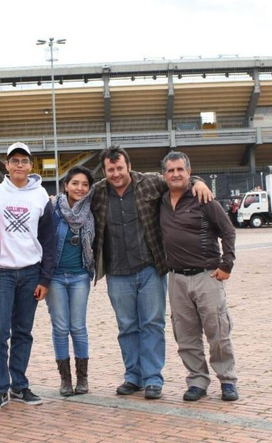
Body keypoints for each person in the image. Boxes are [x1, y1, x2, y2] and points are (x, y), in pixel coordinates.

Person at [90, 144, 211, 400]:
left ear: (129, 166)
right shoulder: (98, 192)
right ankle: (133, 377)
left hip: (150, 269)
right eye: (110, 169)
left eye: (120, 168)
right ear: (104, 170)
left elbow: (177, 179)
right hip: (116, 271)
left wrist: (198, 181)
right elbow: (72, 202)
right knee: (126, 326)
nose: (116, 173)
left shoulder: (150, 183)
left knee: (152, 324)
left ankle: (153, 378)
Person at [159, 151, 238, 402]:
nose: (175, 174)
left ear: (189, 173)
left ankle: (227, 380)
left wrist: (227, 265)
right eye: (170, 170)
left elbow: (228, 231)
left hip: (207, 276)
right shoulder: (159, 200)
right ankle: (197, 381)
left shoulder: (203, 198)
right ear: (164, 175)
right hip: (176, 279)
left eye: (180, 169)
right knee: (185, 335)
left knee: (218, 331)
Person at [0, 142, 56, 412]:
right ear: (6, 165)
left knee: (23, 332)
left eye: (24, 161)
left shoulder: (41, 196)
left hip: (30, 272)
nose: (20, 166)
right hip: (1, 272)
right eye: (15, 161)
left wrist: (45, 279)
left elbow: (48, 240)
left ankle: (19, 384)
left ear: (30, 165)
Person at [46, 166, 95, 397]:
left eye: (85, 184)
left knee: (78, 327)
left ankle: (82, 378)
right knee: (60, 327)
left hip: (79, 276)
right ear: (66, 185)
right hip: (55, 276)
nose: (80, 188)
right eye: (75, 183)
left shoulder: (92, 208)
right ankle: (65, 380)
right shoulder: (52, 207)